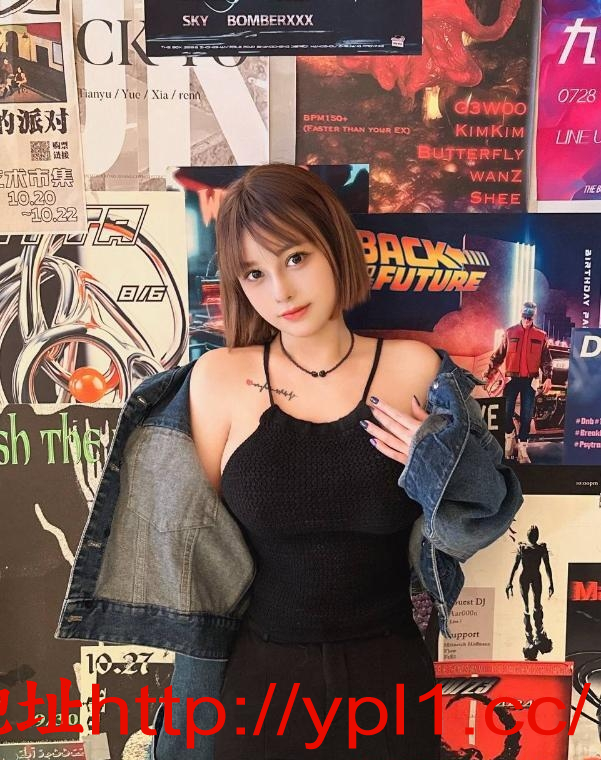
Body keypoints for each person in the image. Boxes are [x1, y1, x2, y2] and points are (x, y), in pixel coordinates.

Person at [55, 164, 523, 760]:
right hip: (254, 682)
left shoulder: (415, 368)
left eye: (296, 257)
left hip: (388, 678)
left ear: (334, 245)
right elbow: (188, 545)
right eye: (255, 272)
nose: (280, 290)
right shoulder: (219, 380)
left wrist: (434, 462)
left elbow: (484, 512)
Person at [485, 301, 553, 464]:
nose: (527, 319)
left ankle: (522, 447)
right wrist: (489, 373)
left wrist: (548, 377)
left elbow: (546, 359)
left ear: (534, 316)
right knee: (505, 413)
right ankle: (509, 436)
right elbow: (498, 356)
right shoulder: (510, 332)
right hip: (511, 379)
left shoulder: (541, 335)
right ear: (521, 314)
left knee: (526, 415)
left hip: (530, 380)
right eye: (525, 316)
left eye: (530, 317)